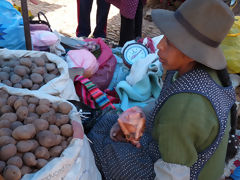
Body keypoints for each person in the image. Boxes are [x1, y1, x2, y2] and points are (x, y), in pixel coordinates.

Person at [87, 0, 238, 179]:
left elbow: (173, 174)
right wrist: (143, 112)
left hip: (185, 171)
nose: (159, 45)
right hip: (181, 149)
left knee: (106, 147)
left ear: (190, 52)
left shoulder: (186, 107)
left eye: (169, 41)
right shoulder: (199, 71)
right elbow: (168, 103)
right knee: (109, 122)